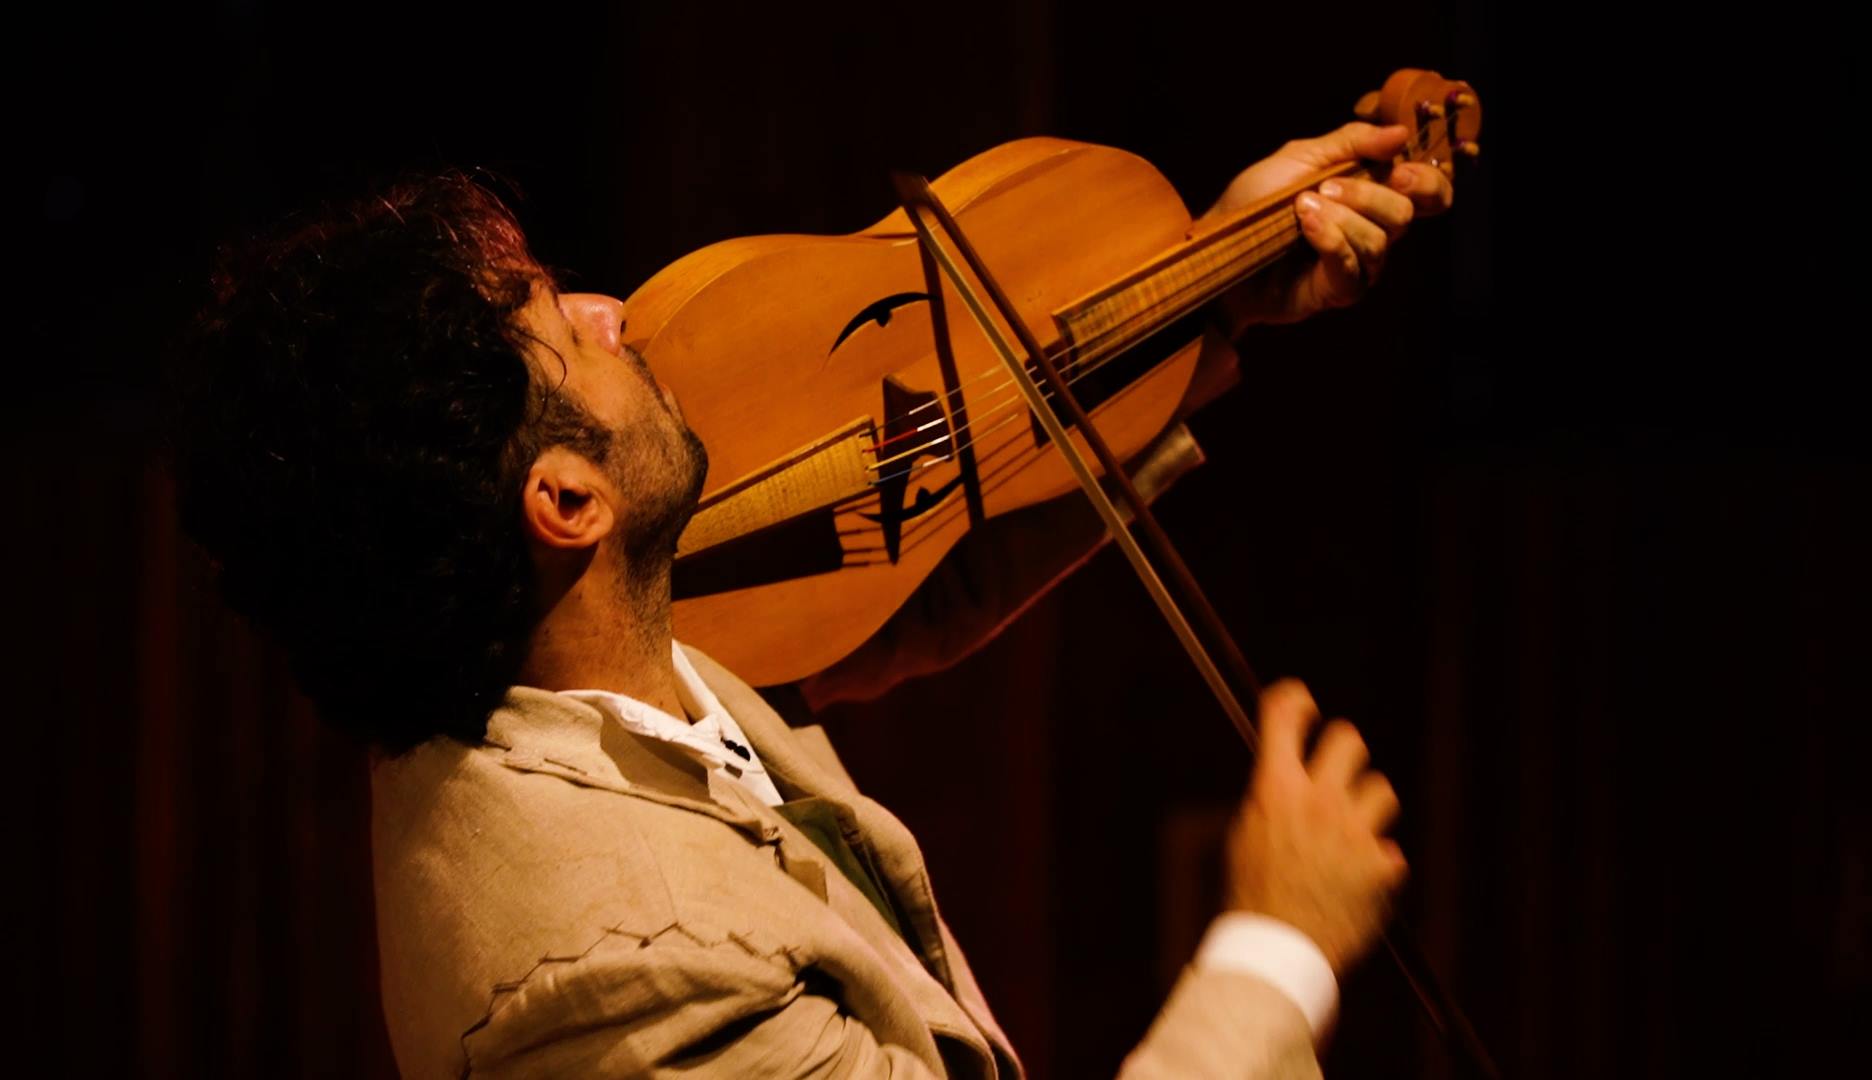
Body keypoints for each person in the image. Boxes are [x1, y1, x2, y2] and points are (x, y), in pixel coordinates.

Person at [174, 120, 1452, 1078]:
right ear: (564, 503)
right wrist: (1280, 937)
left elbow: (905, 570)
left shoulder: (568, 652)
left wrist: (1205, 296)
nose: (614, 313)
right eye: (556, 324)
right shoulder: (618, 969)